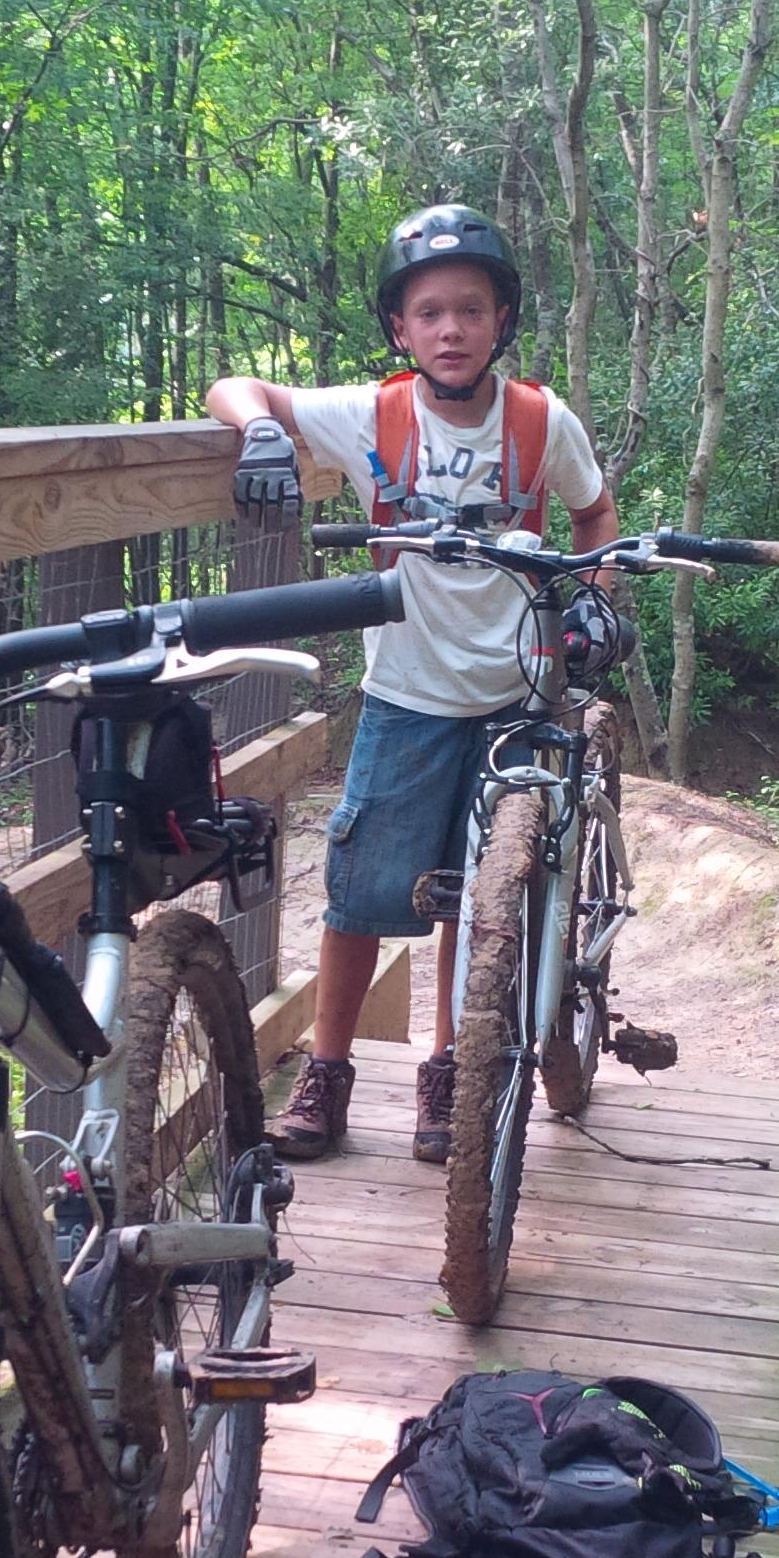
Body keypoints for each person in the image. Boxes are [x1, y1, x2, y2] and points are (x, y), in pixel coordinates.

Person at [208, 201, 624, 1165]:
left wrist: (595, 594)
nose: (450, 329)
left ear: (501, 321)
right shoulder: (372, 414)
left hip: (519, 694)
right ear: (401, 328)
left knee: (477, 903)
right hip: (406, 697)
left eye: (470, 311)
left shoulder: (537, 420)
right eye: (429, 312)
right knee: (360, 895)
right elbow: (239, 385)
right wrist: (263, 437)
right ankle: (328, 1070)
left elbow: (595, 512)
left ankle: (451, 1070)